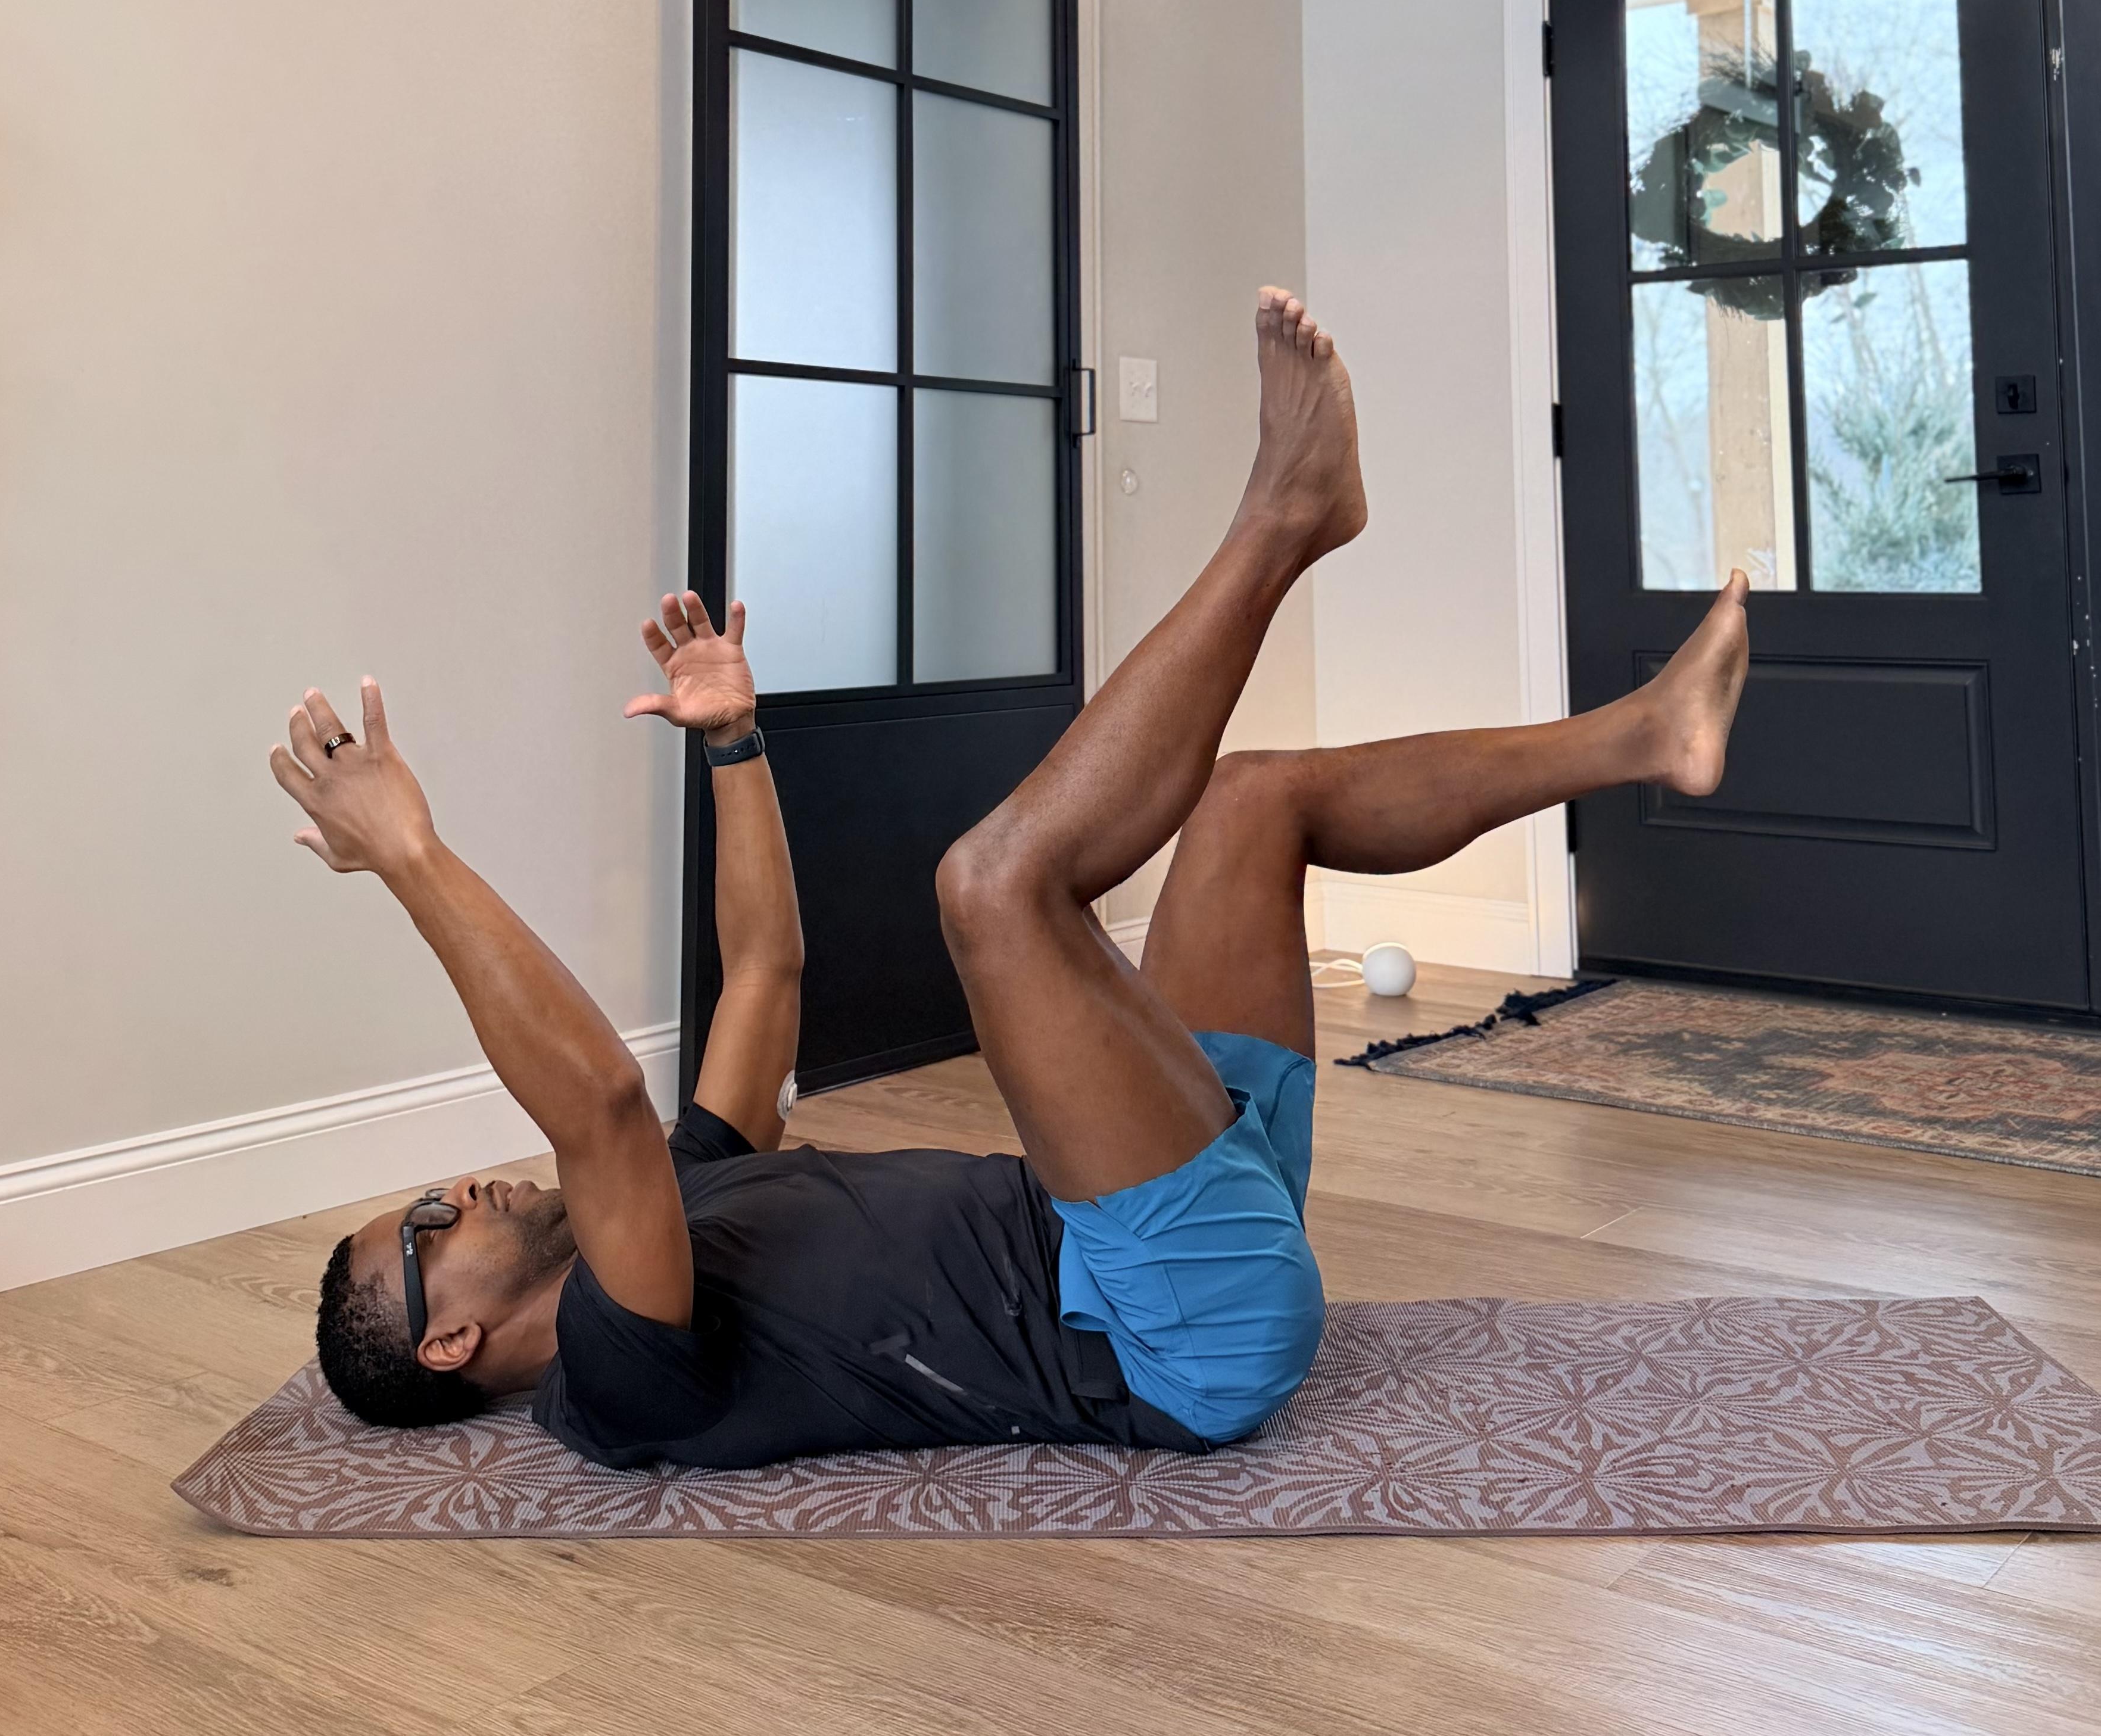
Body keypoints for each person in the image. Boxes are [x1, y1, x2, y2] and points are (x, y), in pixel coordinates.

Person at [275, 289, 1750, 1469]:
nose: (458, 1192)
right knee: (992, 886)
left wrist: (733, 743)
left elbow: (768, 967)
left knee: (1251, 801)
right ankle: (1287, 513)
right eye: (428, 1230)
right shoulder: (615, 1375)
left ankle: (1643, 733)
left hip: (1164, 1204)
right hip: (1172, 1333)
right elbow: (593, 1103)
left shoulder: (692, 1184)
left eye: (428, 1195)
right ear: (451, 1342)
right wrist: (409, 851)